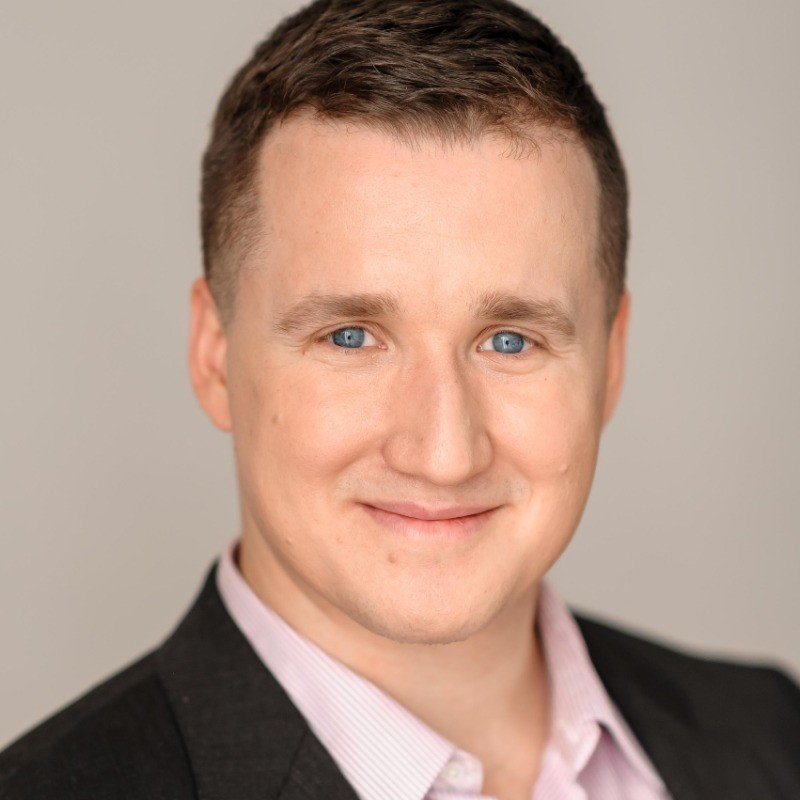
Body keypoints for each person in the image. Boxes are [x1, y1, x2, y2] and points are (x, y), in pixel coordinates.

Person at [1, 0, 798, 797]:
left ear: (610, 362)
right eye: (351, 337)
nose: (443, 453)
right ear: (214, 356)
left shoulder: (773, 732)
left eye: (510, 341)